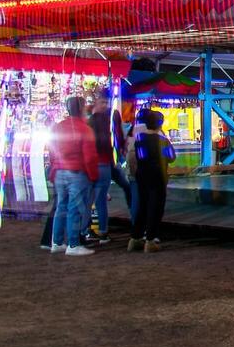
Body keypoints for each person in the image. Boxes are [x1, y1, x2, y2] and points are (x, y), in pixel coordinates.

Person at [46, 97, 100, 256]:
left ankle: (56, 242)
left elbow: (51, 149)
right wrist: (93, 175)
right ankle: (73, 244)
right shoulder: (85, 129)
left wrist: (54, 167)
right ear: (82, 108)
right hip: (77, 171)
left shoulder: (57, 127)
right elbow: (90, 157)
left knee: (60, 207)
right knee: (75, 208)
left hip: (59, 171)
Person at [129, 108, 173, 253]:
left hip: (142, 174)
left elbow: (140, 156)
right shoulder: (162, 140)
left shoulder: (140, 138)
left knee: (142, 205)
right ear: (159, 124)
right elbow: (171, 157)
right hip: (158, 176)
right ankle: (150, 240)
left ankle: (135, 238)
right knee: (156, 206)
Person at [86, 96, 128, 244]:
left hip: (100, 162)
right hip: (103, 162)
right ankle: (102, 232)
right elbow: (114, 139)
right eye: (102, 102)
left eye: (106, 102)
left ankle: (89, 231)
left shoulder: (93, 121)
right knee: (99, 199)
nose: (105, 105)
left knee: (94, 198)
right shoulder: (107, 119)